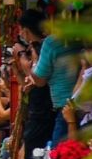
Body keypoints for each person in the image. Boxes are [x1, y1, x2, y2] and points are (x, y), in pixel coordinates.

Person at [18, 9, 79, 146]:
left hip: (63, 107)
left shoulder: (51, 43)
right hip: (81, 103)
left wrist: (30, 65)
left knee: (59, 153)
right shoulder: (78, 39)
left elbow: (39, 80)